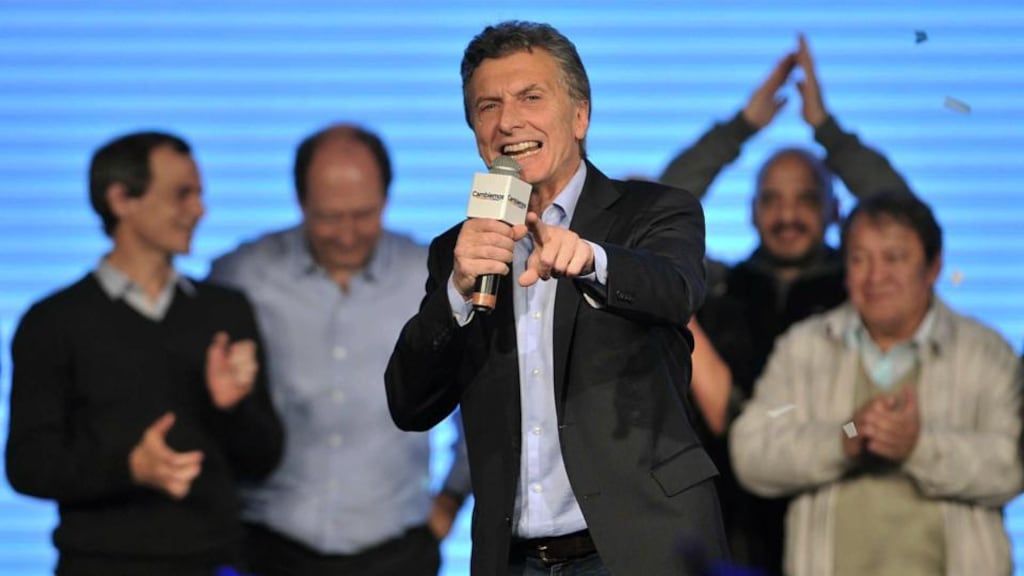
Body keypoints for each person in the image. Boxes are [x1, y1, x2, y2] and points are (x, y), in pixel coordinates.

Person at [385, 20, 727, 576]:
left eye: (530, 97)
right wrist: (455, 294)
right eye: (487, 105)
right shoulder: (461, 248)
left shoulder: (654, 211)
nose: (508, 121)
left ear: (580, 115)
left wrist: (592, 260)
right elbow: (409, 403)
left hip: (643, 549)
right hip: (515, 560)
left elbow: (674, 289)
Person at [659, 35, 912, 574]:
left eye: (806, 199)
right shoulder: (717, 286)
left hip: (836, 518)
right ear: (750, 212)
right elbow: (659, 219)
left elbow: (907, 220)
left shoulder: (862, 290)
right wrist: (741, 127)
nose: (788, 214)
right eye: (772, 199)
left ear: (835, 209)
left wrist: (827, 129)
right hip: (729, 525)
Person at [5, 131, 284, 576]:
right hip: (99, 566)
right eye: (182, 195)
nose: (200, 209)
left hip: (214, 563)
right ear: (121, 200)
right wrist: (129, 467)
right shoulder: (53, 322)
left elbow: (264, 459)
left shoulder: (225, 311)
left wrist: (231, 409)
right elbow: (28, 465)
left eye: (199, 194)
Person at [208, 123, 470, 576]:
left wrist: (451, 498)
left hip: (396, 550)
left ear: (387, 199)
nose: (347, 234)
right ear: (301, 202)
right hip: (268, 546)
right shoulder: (244, 274)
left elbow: (478, 396)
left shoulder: (427, 276)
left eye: (363, 214)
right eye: (329, 217)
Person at [730, 191, 1024, 575]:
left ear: (934, 267)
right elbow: (751, 450)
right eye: (859, 259)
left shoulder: (986, 353)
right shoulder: (805, 347)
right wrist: (846, 437)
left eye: (894, 258)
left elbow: (1011, 466)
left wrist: (918, 446)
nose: (875, 277)